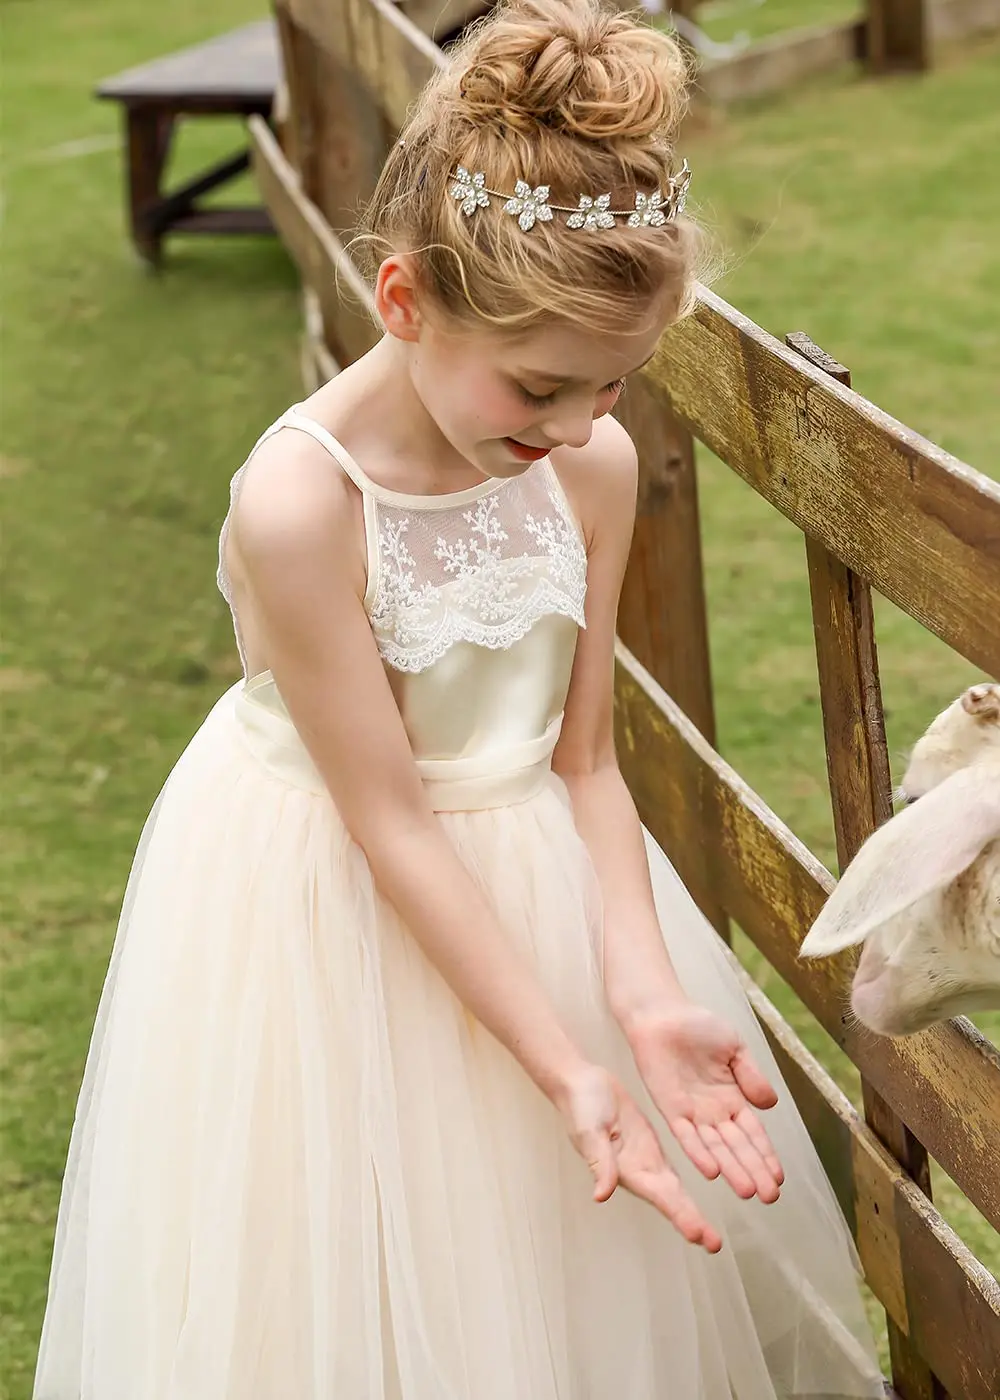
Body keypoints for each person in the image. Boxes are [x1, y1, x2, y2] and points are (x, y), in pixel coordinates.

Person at [34, 2, 887, 1395]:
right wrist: (566, 1066)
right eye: (542, 385)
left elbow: (587, 762)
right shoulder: (302, 505)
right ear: (404, 300)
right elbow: (393, 825)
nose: (573, 426)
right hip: (330, 895)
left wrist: (636, 987)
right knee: (350, 1263)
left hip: (534, 873)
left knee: (561, 1289)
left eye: (613, 384)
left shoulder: (590, 468)